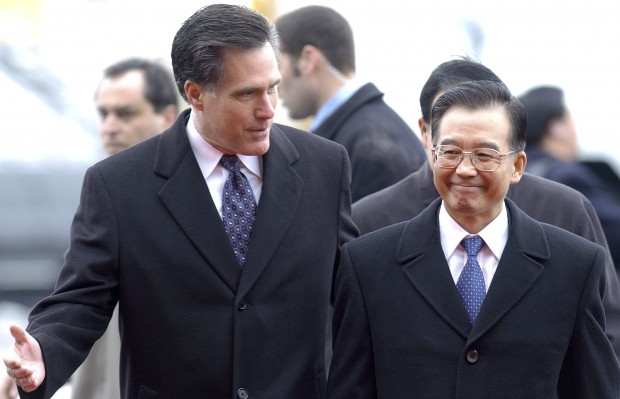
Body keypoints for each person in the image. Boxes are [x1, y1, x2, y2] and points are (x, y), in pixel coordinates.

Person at [3, 4, 357, 399]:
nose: (269, 109)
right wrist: (43, 354)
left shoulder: (325, 167)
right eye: (248, 94)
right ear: (195, 94)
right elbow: (81, 301)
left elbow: (353, 295)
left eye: (273, 87)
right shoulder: (118, 186)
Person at [327, 80, 620, 398]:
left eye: (484, 155)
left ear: (517, 166)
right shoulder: (368, 264)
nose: (465, 169)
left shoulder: (574, 265)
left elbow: (595, 387)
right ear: (431, 152)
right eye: (450, 152)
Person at [0, 58, 180, 399]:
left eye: (125, 114)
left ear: (167, 118)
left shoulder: (196, 200)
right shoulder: (101, 194)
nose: (109, 126)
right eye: (103, 114)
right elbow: (77, 303)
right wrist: (40, 357)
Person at [274, 5, 426, 201]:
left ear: (308, 59)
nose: (274, 81)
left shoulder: (371, 147)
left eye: (278, 65)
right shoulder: (359, 132)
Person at [518, 85, 620, 266]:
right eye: (571, 121)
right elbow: (614, 233)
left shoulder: (518, 172)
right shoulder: (566, 175)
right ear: (557, 128)